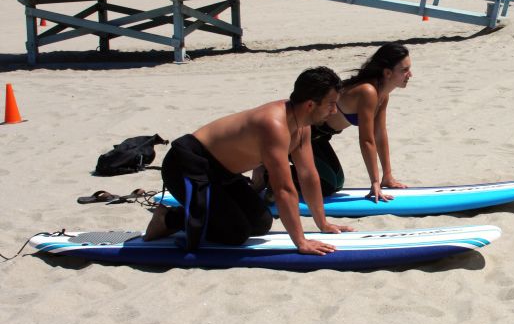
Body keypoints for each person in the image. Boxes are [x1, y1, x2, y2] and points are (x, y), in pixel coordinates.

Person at [145, 67, 352, 255]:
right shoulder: (273, 125)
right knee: (236, 233)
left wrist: (322, 223)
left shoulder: (302, 125)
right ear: (309, 105)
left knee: (260, 222)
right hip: (187, 166)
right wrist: (301, 241)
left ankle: (200, 213)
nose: (334, 111)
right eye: (331, 104)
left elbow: (308, 175)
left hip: (224, 174)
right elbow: (283, 189)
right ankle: (168, 218)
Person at [280, 42, 413, 204]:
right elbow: (366, 140)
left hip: (319, 139)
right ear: (387, 73)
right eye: (404, 70)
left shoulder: (383, 95)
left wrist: (387, 176)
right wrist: (374, 183)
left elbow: (380, 134)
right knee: (327, 185)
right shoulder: (368, 92)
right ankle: (271, 175)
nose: (410, 74)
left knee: (337, 182)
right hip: (298, 134)